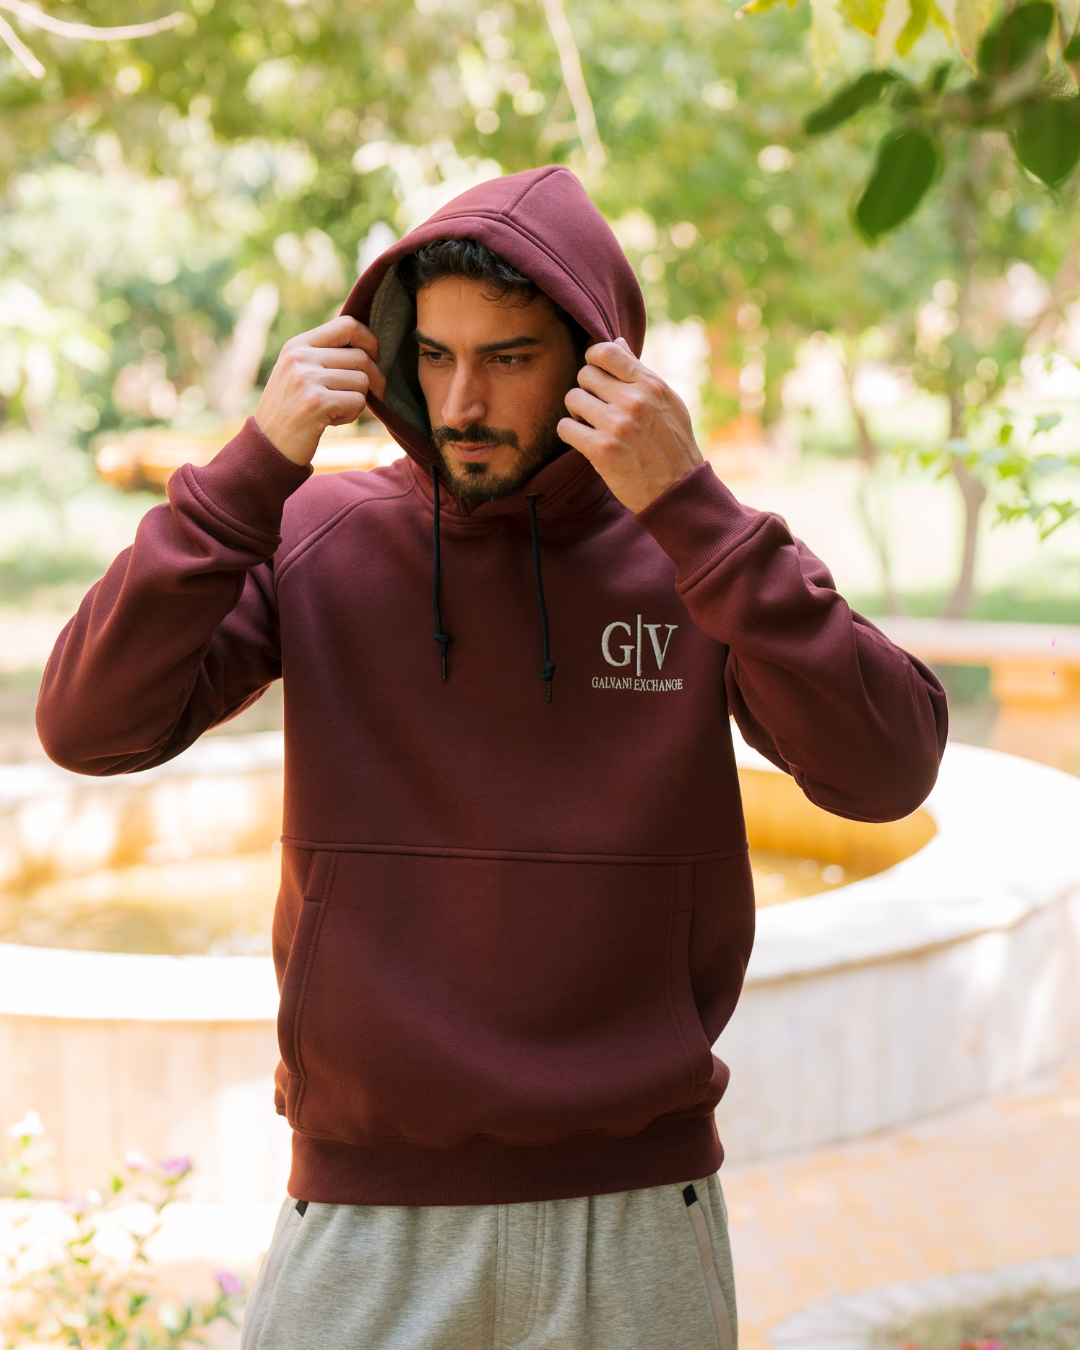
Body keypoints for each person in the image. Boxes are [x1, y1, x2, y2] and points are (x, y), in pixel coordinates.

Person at [37, 166, 948, 1350]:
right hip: (364, 1208)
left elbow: (887, 771)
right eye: (433, 357)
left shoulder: (696, 555)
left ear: (596, 365)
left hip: (636, 1209)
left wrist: (694, 511)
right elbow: (87, 723)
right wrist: (253, 467)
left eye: (508, 359)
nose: (462, 401)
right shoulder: (315, 537)